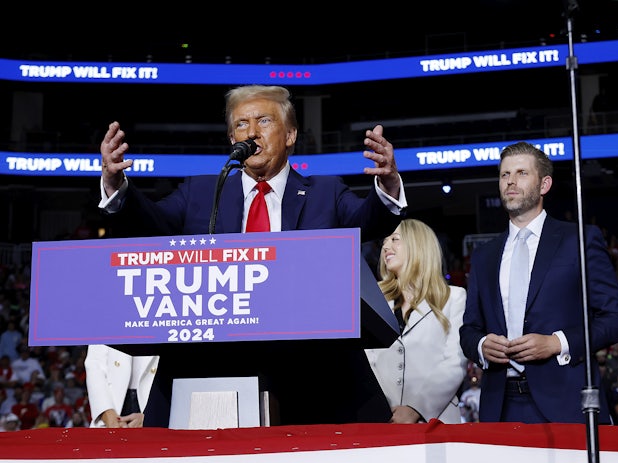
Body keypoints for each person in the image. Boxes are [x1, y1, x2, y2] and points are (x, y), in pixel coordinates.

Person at [98, 84, 407, 427]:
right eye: (241, 125)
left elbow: (368, 220)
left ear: (290, 135)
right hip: (211, 368)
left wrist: (388, 185)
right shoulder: (200, 192)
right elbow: (152, 225)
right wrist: (118, 188)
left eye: (263, 121)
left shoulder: (325, 193)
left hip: (312, 371)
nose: (252, 132)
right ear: (233, 139)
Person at [459, 141, 618, 423]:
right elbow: (469, 329)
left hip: (566, 403)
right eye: (505, 175)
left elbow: (617, 320)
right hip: (500, 406)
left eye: (522, 173)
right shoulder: (483, 256)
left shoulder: (580, 240)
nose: (511, 182)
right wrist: (481, 345)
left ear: (545, 184)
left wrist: (557, 343)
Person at [365, 219, 467, 423]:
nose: (386, 246)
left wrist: (416, 408)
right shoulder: (374, 301)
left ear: (418, 245)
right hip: (384, 422)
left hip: (437, 423)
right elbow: (368, 362)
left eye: (395, 239)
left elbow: (455, 362)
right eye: (385, 241)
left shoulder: (454, 298)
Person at [84, 345, 159, 428]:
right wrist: (107, 413)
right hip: (110, 408)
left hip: (154, 406)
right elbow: (94, 364)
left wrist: (149, 417)